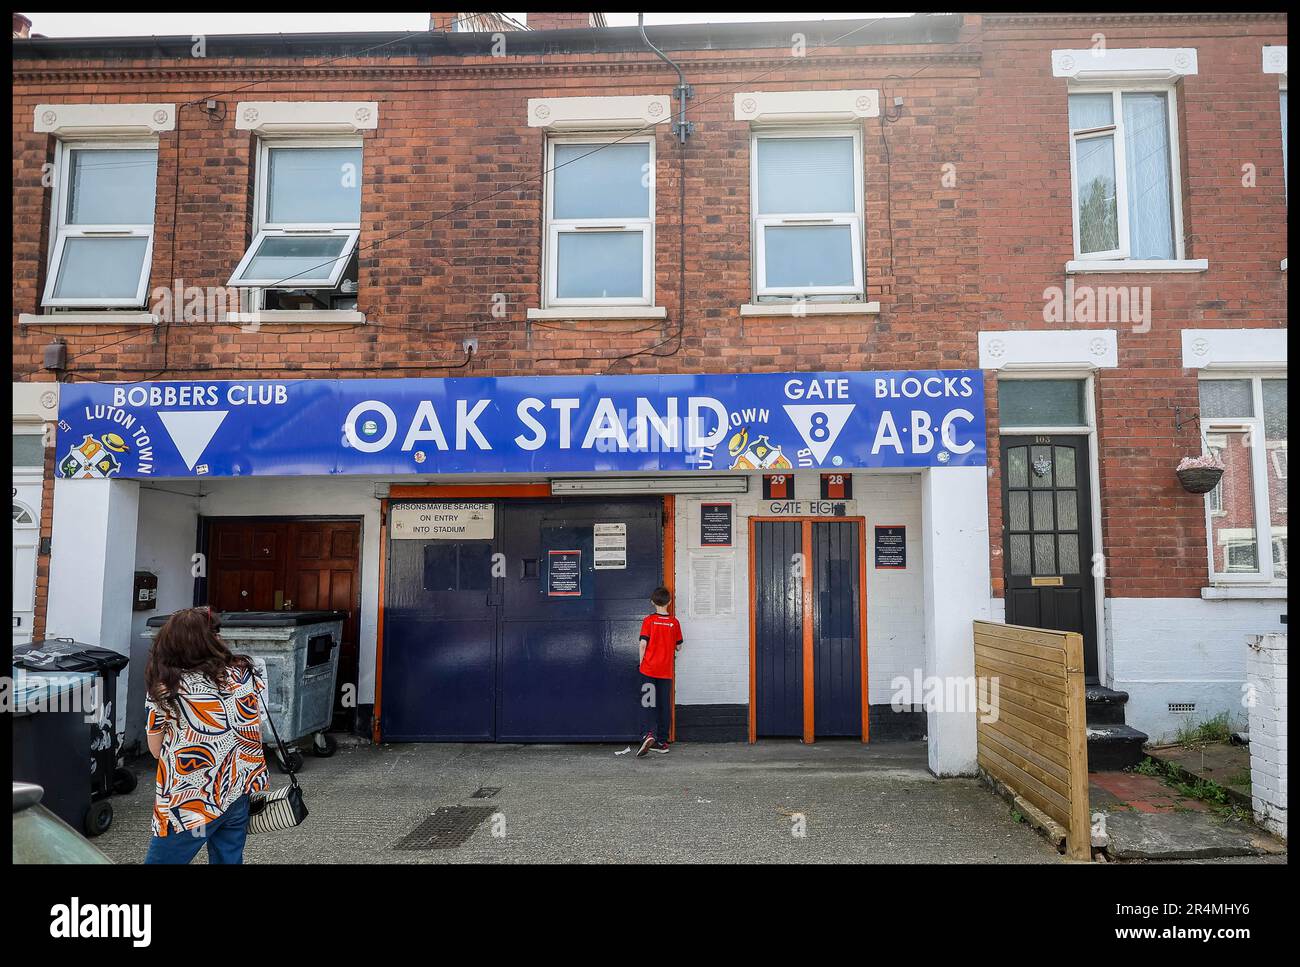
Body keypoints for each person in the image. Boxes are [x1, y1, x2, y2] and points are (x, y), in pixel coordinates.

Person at [142, 607, 269, 864]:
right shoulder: (244, 674)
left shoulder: (167, 687)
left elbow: (155, 750)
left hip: (190, 800)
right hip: (237, 788)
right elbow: (256, 721)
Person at [636, 586, 683, 757]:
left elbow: (643, 644)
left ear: (652, 602)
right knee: (664, 705)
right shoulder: (674, 622)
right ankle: (662, 742)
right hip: (665, 672)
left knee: (648, 702)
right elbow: (678, 646)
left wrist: (641, 664)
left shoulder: (648, 621)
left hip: (648, 670)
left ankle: (648, 734)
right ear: (669, 602)